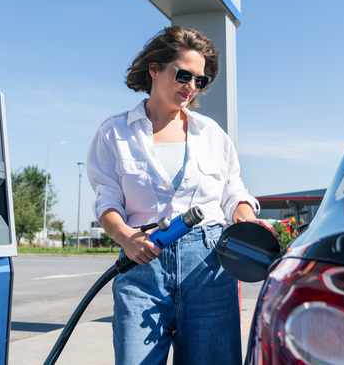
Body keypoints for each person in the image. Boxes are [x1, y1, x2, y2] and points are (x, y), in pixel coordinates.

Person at [86, 26, 277, 365]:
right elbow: (107, 201)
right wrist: (126, 236)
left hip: (209, 268)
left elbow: (233, 190)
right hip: (142, 267)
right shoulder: (114, 131)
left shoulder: (211, 134)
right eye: (184, 75)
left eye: (200, 81)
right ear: (155, 69)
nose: (191, 87)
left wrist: (247, 219)